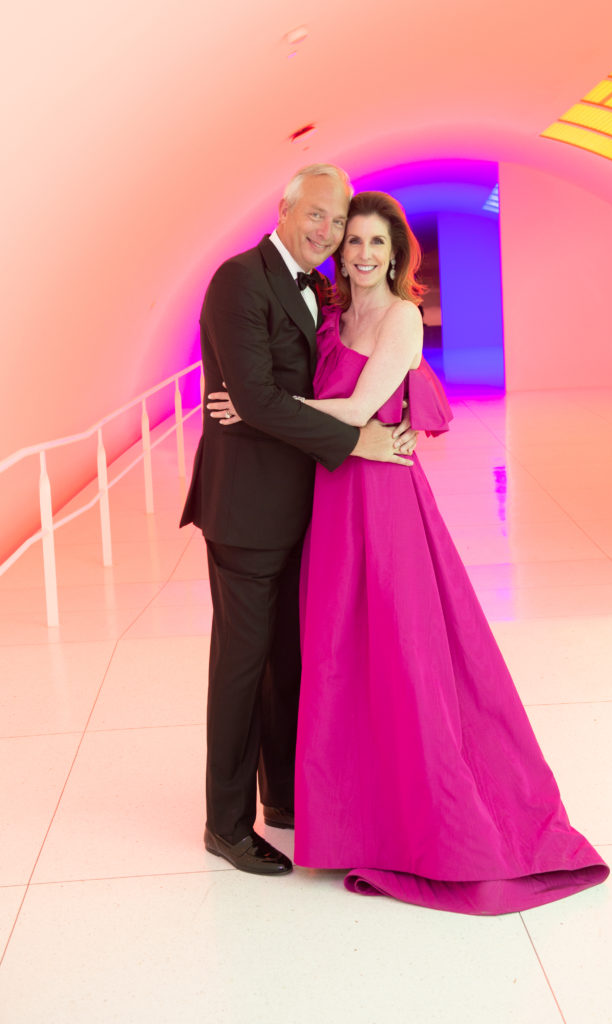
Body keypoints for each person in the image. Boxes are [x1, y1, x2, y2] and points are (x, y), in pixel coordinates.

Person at [216, 190, 609, 914]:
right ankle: (347, 815)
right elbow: (320, 399)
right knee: (340, 652)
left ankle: (419, 815)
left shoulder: (398, 319)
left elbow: (360, 411)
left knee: (399, 648)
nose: (362, 254)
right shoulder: (336, 313)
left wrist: (257, 403)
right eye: (352, 242)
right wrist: (264, 398)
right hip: (332, 496)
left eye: (375, 243)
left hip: (380, 495)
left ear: (397, 253)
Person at [180, 166, 417, 877]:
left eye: (336, 221)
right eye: (315, 215)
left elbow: (276, 394)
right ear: (284, 209)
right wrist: (354, 439)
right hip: (246, 510)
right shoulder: (239, 280)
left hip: (301, 511)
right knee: (242, 668)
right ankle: (225, 823)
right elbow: (253, 396)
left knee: (289, 664)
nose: (326, 230)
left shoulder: (316, 289)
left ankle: (280, 796)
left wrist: (252, 404)